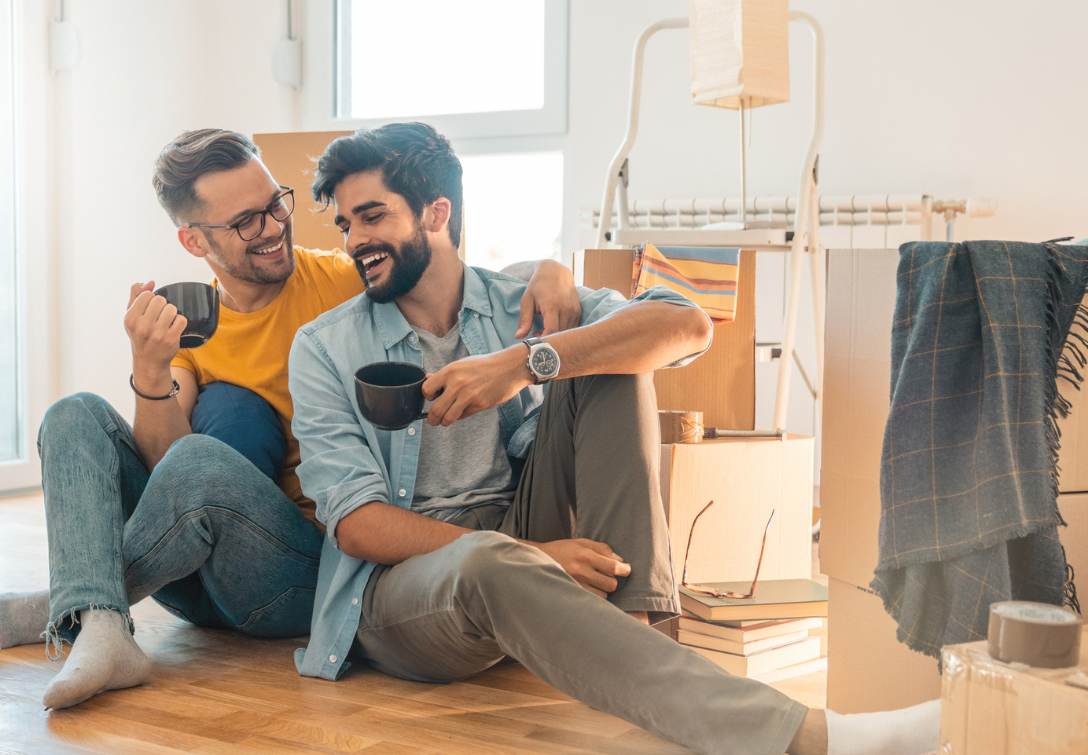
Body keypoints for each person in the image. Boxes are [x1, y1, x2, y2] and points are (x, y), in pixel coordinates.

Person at [287, 122, 942, 755]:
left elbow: (687, 325)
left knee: (607, 359)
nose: (353, 241)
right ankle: (815, 739)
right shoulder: (323, 347)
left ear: (435, 213)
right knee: (489, 560)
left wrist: (526, 362)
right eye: (346, 224)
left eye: (372, 216)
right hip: (404, 589)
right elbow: (359, 527)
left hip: (517, 527)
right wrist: (534, 552)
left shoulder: (518, 303)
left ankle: (629, 637)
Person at [0, 128, 586, 710]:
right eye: (244, 222)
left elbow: (448, 270)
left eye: (277, 205)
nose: (272, 229)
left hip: (302, 570)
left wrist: (550, 270)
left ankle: (78, 601)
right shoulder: (190, 326)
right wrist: (151, 374)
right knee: (73, 413)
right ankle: (96, 613)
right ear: (193, 240)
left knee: (205, 457)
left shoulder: (346, 280)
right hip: (192, 565)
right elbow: (166, 476)